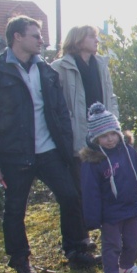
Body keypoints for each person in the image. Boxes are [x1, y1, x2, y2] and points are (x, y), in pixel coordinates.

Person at [0, 15, 98, 273]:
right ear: (17, 36)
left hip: (50, 151)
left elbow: (60, 112)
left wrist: (67, 146)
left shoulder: (45, 71)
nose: (42, 40)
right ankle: (20, 262)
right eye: (35, 35)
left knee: (70, 196)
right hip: (15, 155)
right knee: (16, 209)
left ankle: (76, 250)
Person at [51, 25, 119, 252]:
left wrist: (115, 124)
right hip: (78, 135)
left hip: (104, 132)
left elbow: (110, 96)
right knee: (82, 187)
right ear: (78, 40)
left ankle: (118, 225)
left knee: (112, 179)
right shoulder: (60, 68)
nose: (96, 40)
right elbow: (57, 107)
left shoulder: (100, 64)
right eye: (92, 36)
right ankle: (81, 238)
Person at [80, 104, 137, 273]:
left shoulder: (127, 151)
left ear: (118, 132)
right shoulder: (93, 161)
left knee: (134, 239)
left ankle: (126, 265)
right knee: (113, 244)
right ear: (95, 138)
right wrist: (92, 218)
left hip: (132, 206)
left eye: (112, 134)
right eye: (103, 136)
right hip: (110, 212)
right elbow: (90, 192)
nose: (109, 139)